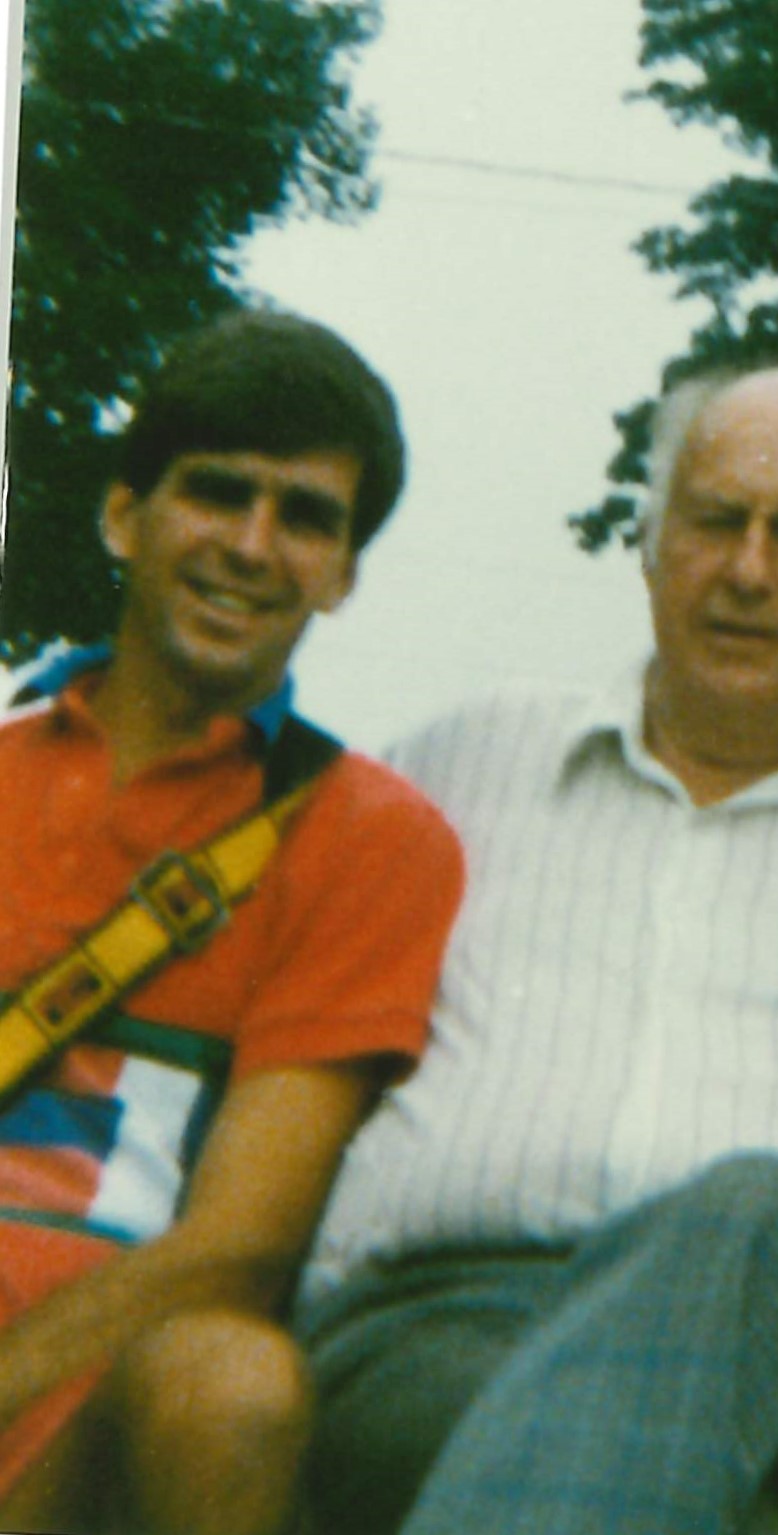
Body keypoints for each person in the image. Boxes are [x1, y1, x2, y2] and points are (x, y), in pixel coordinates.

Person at [294, 362, 778, 1535]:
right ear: (649, 538)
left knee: (766, 1206)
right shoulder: (460, 765)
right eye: (715, 519)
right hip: (437, 1328)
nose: (746, 570)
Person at [0, 310, 465, 1535]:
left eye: (306, 516)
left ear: (343, 572)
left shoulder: (365, 832)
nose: (254, 546)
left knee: (235, 1381)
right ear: (123, 514)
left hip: (86, 1403)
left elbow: (240, 1245)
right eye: (217, 493)